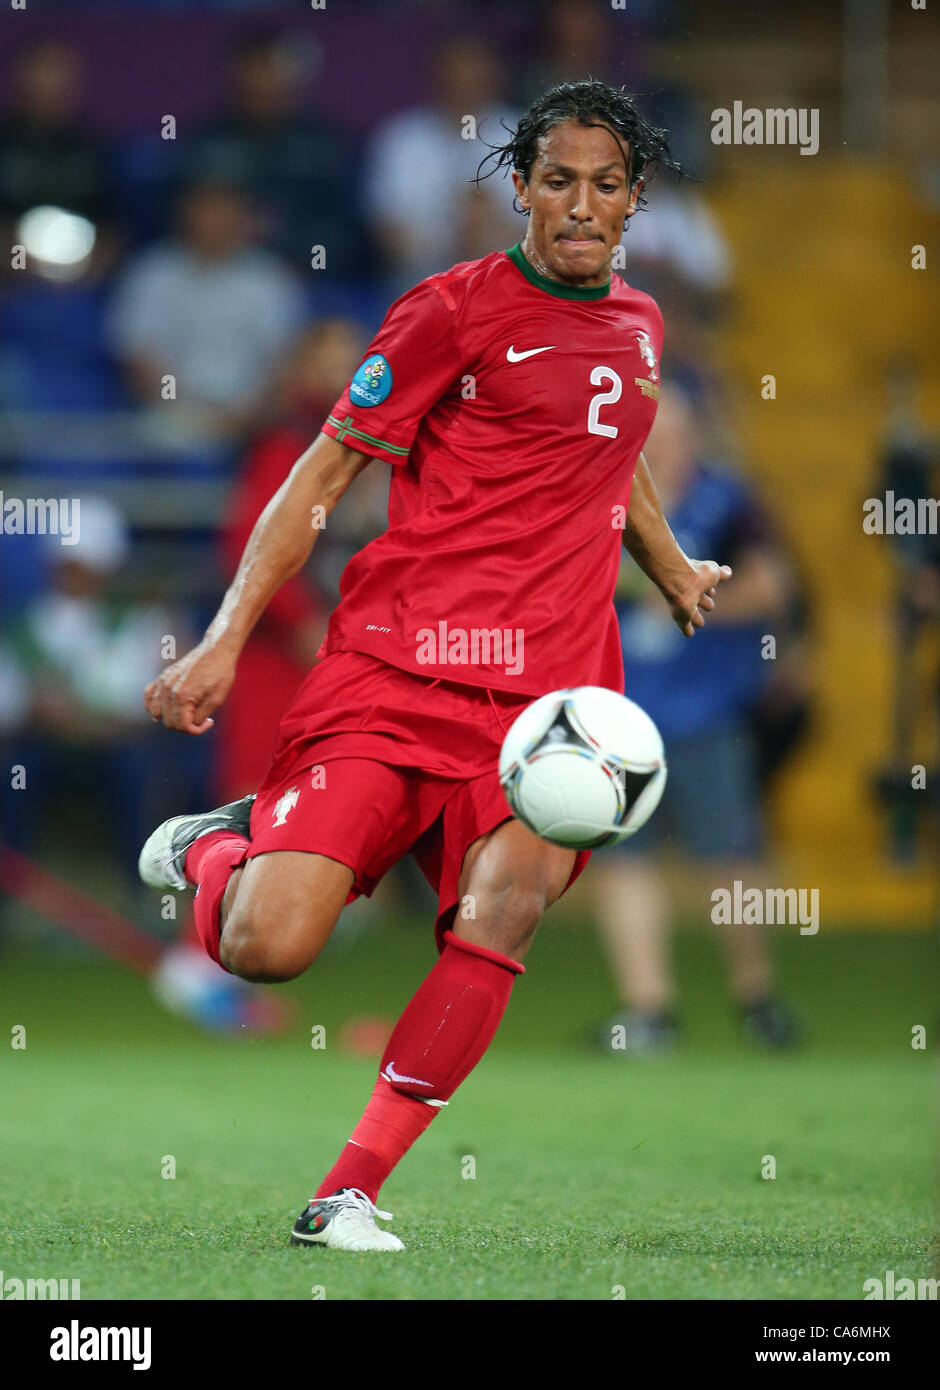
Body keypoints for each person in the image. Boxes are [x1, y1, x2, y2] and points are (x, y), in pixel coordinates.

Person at [139, 81, 733, 1253]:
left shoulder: (640, 324)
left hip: (548, 705)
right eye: (555, 180)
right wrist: (219, 638)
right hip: (399, 670)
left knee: (500, 915)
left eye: (603, 185)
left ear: (634, 201)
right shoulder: (447, 312)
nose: (577, 204)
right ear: (519, 188)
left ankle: (348, 1189)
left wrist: (668, 565)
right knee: (271, 948)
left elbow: (609, 454)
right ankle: (214, 846)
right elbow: (315, 480)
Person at [591, 383, 803, 1054]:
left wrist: (693, 598)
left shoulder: (728, 500)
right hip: (621, 716)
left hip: (708, 711)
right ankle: (648, 1010)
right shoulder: (599, 496)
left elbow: (773, 587)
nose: (659, 448)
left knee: (731, 859)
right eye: (648, 438)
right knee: (624, 861)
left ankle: (756, 997)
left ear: (692, 439)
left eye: (670, 435)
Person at [108, 178, 305, 436]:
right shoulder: (151, 274)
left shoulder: (271, 279)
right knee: (158, 434)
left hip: (252, 417)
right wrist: (181, 408)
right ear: (186, 215)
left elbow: (286, 360)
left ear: (242, 217)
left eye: (223, 212)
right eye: (206, 211)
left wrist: (250, 413)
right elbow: (137, 357)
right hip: (171, 413)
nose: (213, 223)